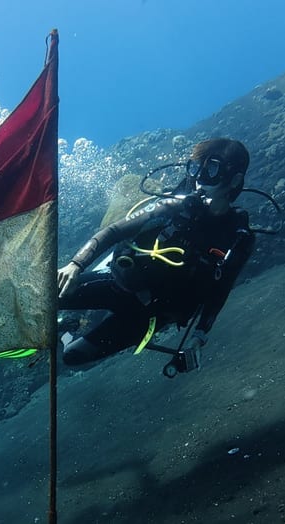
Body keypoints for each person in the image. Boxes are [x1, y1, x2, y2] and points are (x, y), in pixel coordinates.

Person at [57, 137, 255, 372]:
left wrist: (199, 336)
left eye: (211, 170)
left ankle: (67, 329)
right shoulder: (172, 206)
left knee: (72, 356)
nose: (199, 179)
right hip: (119, 285)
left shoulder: (238, 237)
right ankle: (64, 321)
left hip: (150, 316)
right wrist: (75, 265)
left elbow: (220, 291)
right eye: (195, 169)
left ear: (234, 180)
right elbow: (113, 231)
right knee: (44, 294)